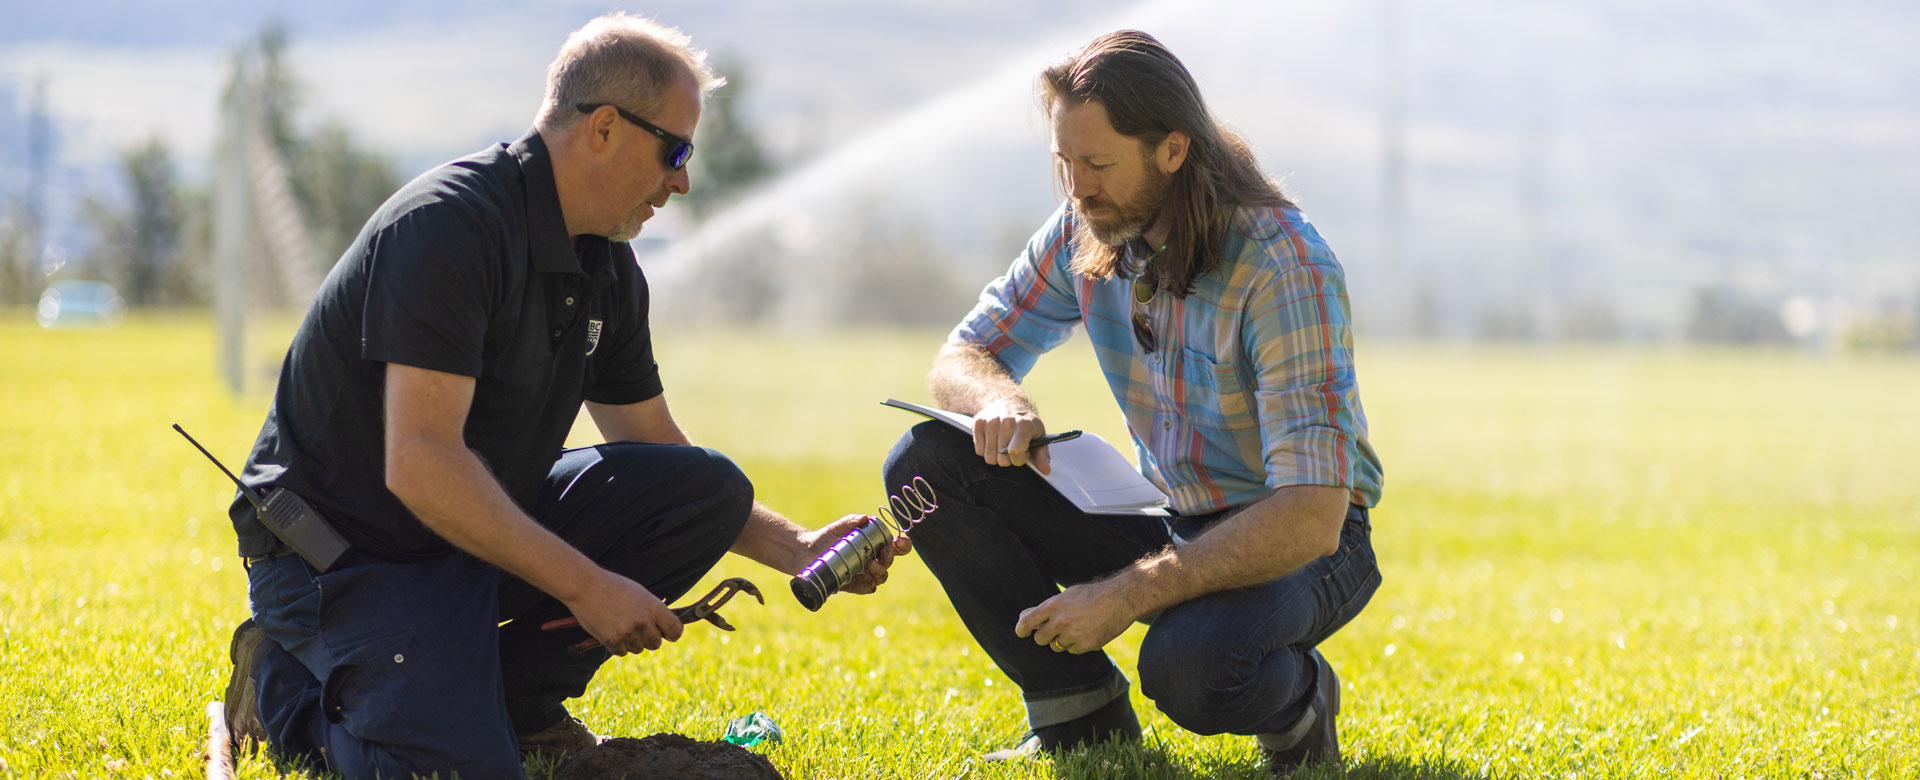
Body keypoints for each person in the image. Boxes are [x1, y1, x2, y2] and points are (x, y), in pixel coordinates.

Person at [218, 14, 909, 779]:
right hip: (343, 553)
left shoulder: (608, 269)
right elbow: (418, 463)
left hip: (457, 534)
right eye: (674, 151)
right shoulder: (448, 227)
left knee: (702, 489)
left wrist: (797, 547)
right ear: (605, 128)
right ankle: (282, 680)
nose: (682, 179)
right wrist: (586, 587)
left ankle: (516, 702)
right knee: (448, 772)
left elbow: (655, 443)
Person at [883, 30, 1383, 775]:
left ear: (1173, 151)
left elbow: (1311, 511)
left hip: (1309, 539)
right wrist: (1000, 404)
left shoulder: (1285, 267)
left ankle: (1301, 706)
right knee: (927, 466)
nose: (1076, 188)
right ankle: (1077, 714)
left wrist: (1125, 595)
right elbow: (964, 355)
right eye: (1064, 163)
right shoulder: (1087, 225)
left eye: (1097, 164)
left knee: (1190, 669)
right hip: (1171, 516)